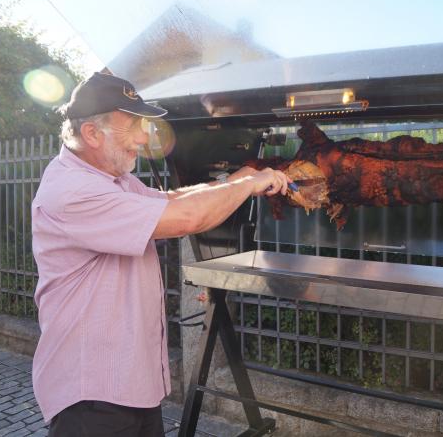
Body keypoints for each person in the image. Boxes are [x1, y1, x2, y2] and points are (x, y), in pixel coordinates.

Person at [30, 72, 291, 436]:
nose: (143, 139)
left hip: (130, 384)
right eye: (133, 126)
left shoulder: (113, 179)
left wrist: (233, 180)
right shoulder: (72, 191)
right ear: (91, 133)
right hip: (92, 392)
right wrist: (249, 185)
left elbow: (171, 200)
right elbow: (186, 217)